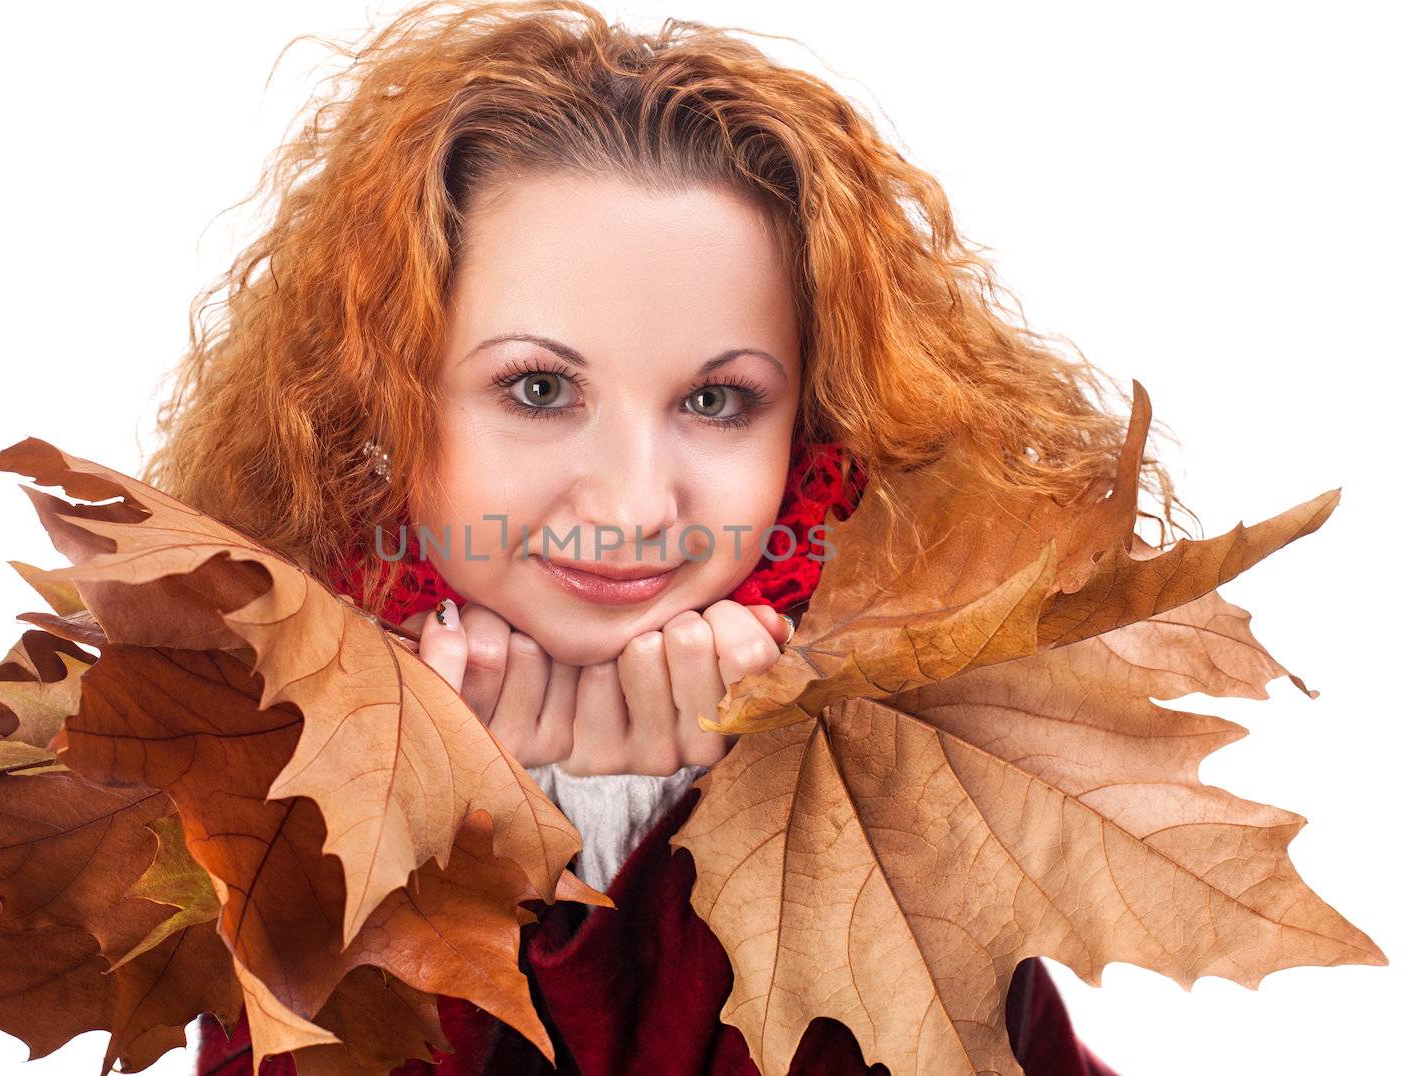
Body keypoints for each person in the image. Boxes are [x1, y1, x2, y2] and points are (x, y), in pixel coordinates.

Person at [141, 2, 1184, 1070]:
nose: (636, 506)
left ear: (811, 423)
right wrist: (458, 867)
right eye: (538, 388)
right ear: (384, 401)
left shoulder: (914, 774)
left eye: (719, 400)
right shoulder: (254, 767)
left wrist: (712, 873)